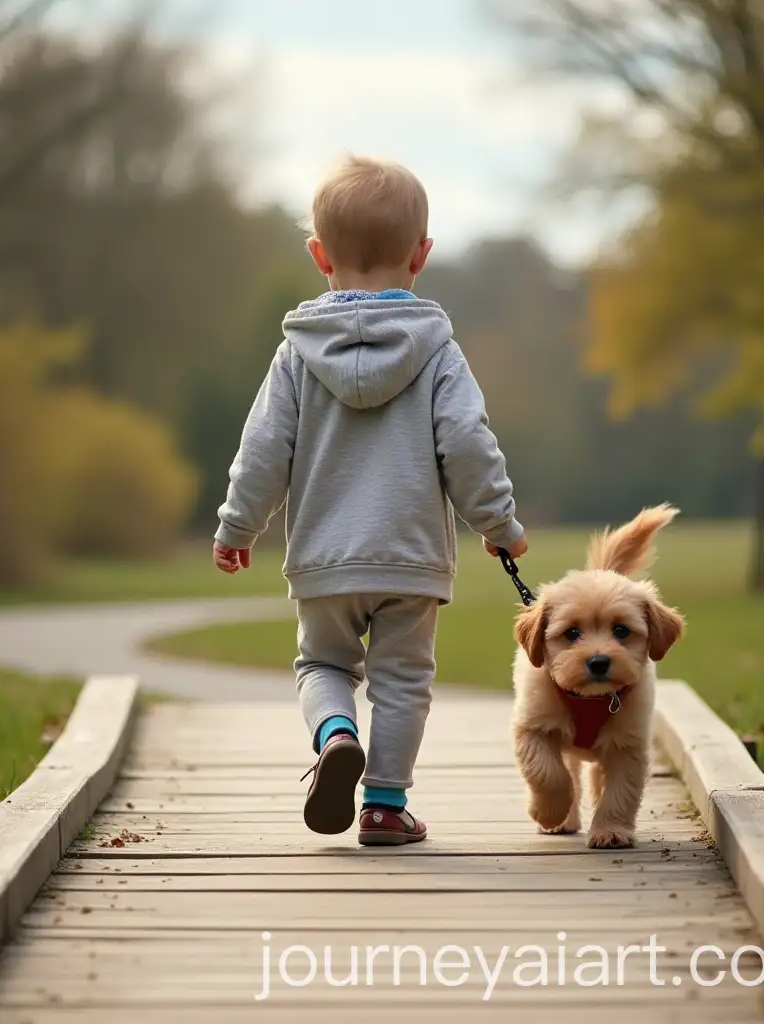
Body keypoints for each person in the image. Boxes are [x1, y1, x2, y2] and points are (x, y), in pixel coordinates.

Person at [213, 155, 527, 845]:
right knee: (404, 680)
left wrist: (239, 526)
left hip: (326, 559)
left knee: (321, 666)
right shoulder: (439, 352)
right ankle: (385, 806)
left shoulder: (296, 354)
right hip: (410, 558)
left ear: (319, 255)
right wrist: (498, 523)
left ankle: (333, 734)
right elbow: (467, 443)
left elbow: (263, 448)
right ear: (421, 255)